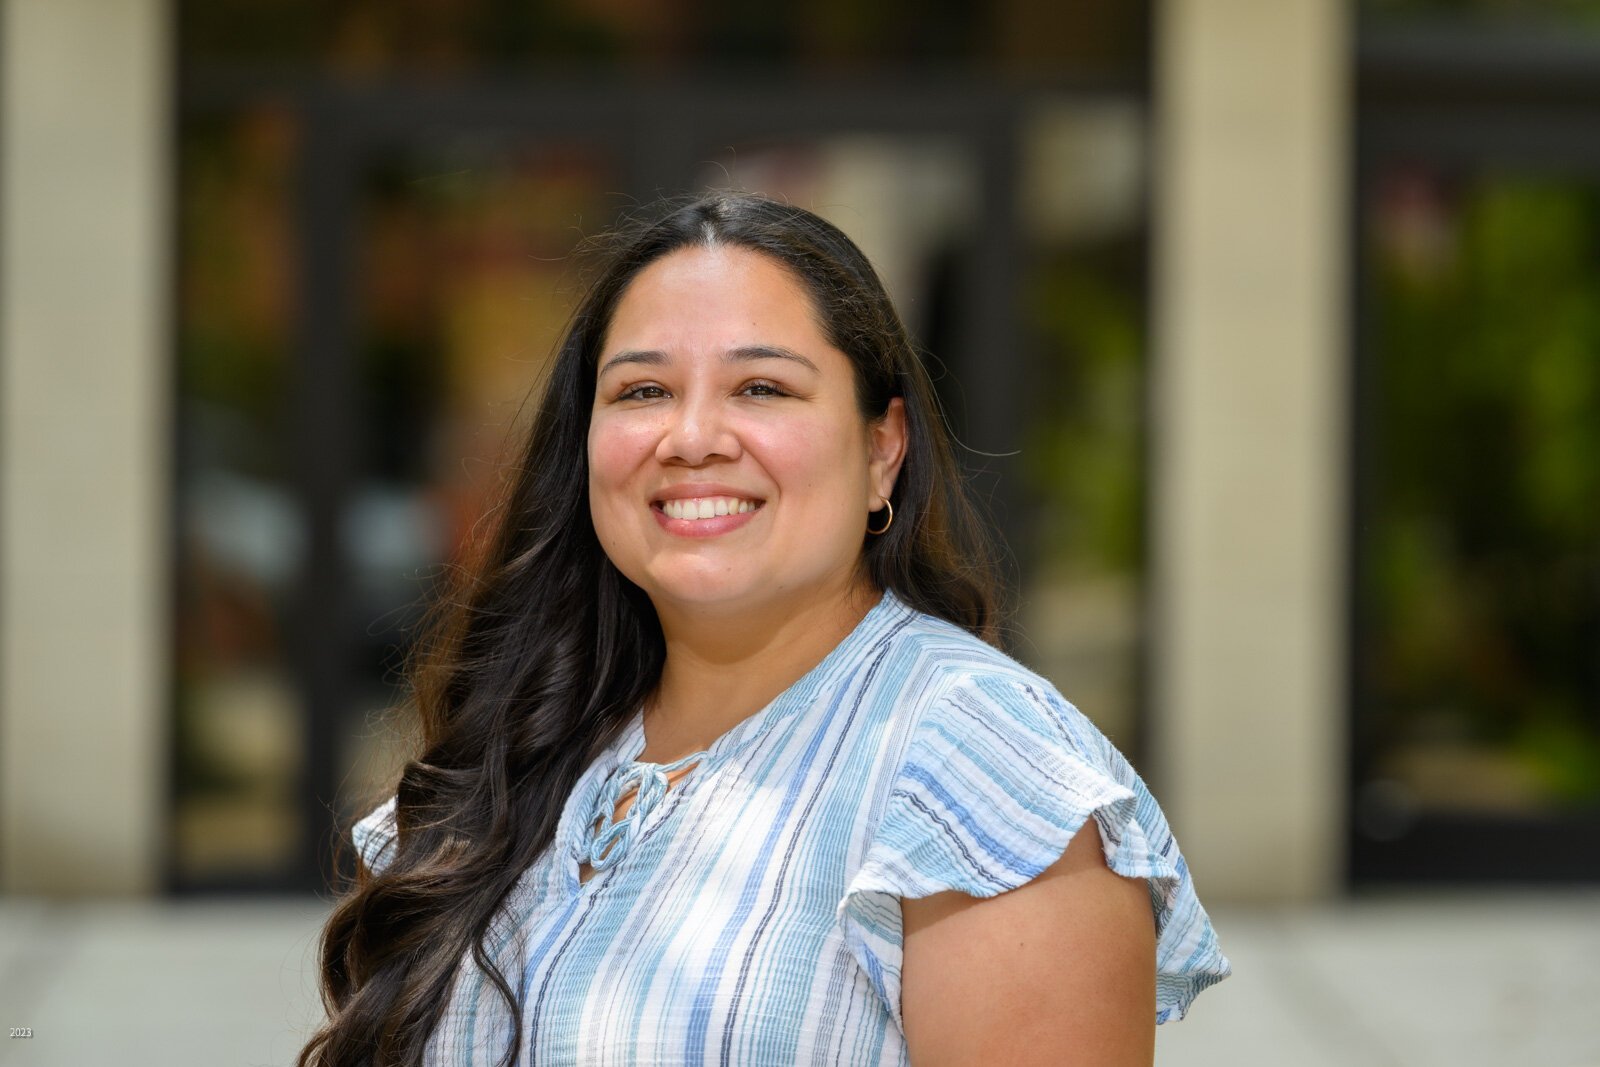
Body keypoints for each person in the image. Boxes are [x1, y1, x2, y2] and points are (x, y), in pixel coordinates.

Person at [298, 192, 1229, 1067]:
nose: (692, 435)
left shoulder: (984, 776)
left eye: (762, 388)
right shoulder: (528, 744)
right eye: (642, 392)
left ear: (881, 449)